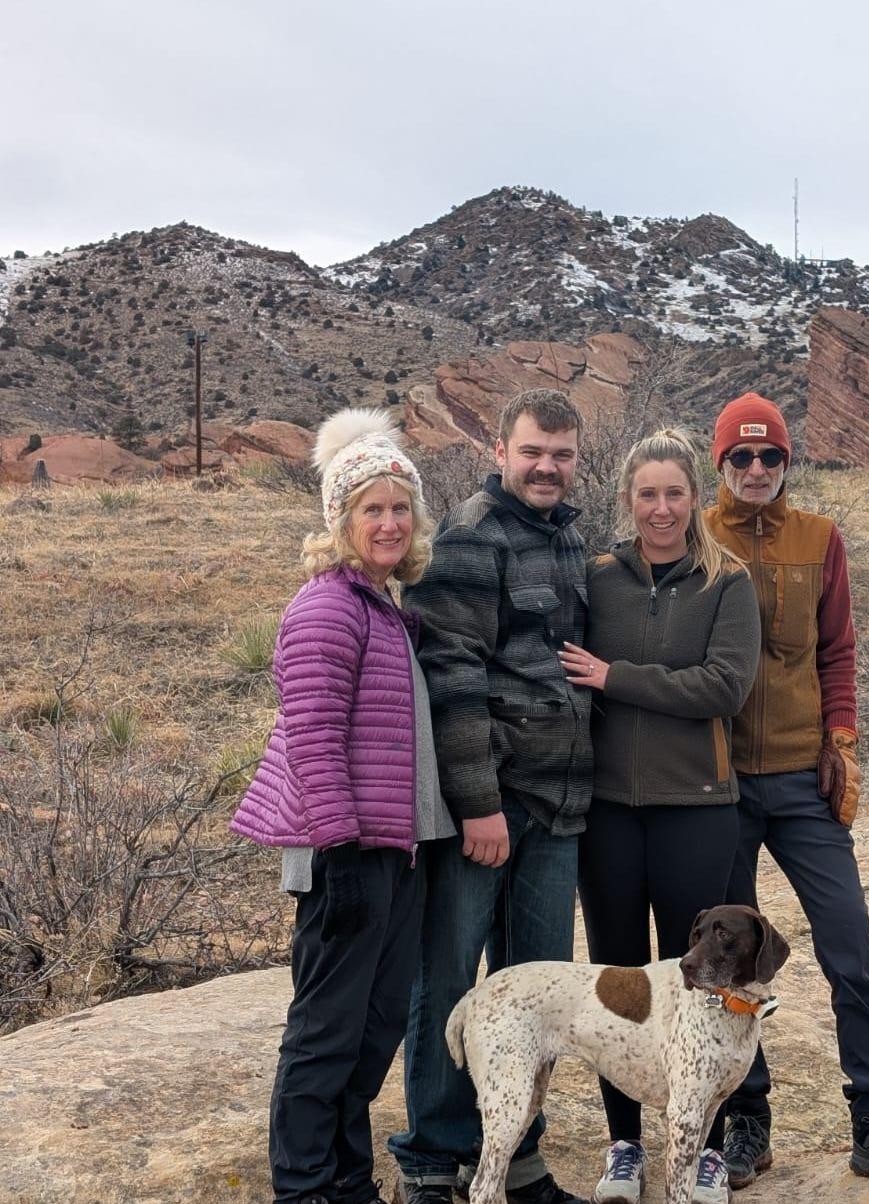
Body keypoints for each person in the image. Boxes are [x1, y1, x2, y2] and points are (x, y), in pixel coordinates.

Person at [702, 393, 869, 1191]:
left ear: (787, 464)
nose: (755, 470)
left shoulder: (820, 538)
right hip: (718, 785)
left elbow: (838, 651)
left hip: (800, 782)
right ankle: (748, 1124)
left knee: (851, 949)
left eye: (770, 456)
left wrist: (839, 742)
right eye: (740, 457)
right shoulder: (696, 534)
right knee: (730, 964)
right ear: (719, 464)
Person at [231, 407, 454, 1204]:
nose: (389, 523)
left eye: (400, 507)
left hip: (393, 848)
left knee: (372, 1029)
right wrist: (344, 851)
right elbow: (314, 740)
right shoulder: (328, 608)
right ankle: (303, 1187)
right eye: (372, 509)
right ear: (340, 520)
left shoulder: (384, 607)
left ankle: (347, 1179)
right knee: (326, 1033)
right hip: (345, 855)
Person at [389, 389, 593, 1204]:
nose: (547, 467)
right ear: (501, 450)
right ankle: (433, 1159)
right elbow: (454, 681)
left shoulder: (570, 541)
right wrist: (478, 805)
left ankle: (517, 1156)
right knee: (451, 981)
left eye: (562, 454)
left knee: (536, 991)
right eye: (533, 451)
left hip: (558, 806)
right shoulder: (469, 538)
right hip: (492, 805)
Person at [559, 429, 761, 1204]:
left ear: (695, 497)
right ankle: (623, 1148)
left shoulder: (727, 581)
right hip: (608, 811)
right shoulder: (597, 576)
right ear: (627, 499)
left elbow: (722, 687)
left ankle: (705, 1149)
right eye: (647, 494)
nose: (662, 508)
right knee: (621, 984)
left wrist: (617, 677)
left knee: (704, 984)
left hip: (697, 810)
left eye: (675, 493)